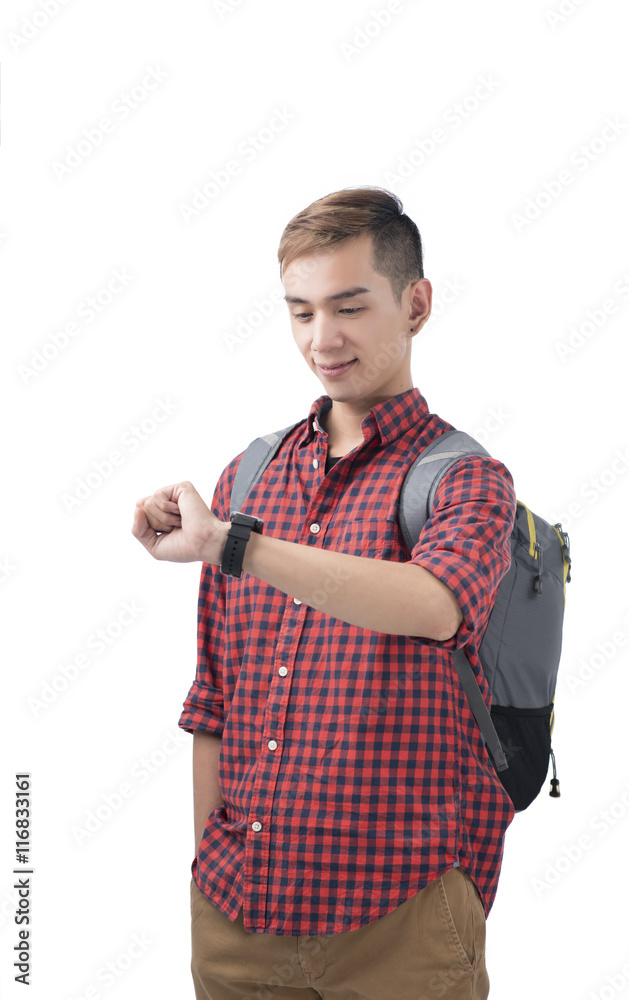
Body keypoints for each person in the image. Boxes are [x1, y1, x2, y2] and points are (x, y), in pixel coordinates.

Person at [132, 186, 517, 1000]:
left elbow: (432, 604)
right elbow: (215, 696)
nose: (322, 339)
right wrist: (210, 864)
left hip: (401, 921)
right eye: (300, 312)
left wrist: (233, 543)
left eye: (349, 307)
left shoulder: (466, 479)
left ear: (415, 304)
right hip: (238, 914)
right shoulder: (252, 472)